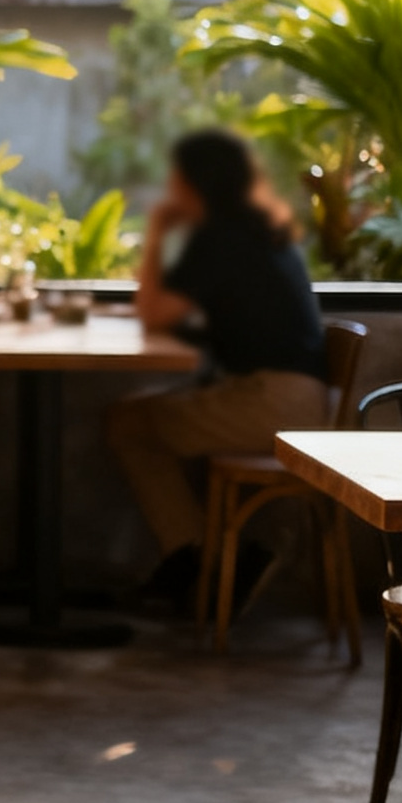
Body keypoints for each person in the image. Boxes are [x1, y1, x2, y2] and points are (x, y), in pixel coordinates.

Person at [107, 126, 328, 612]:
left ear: (194, 182)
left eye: (177, 178)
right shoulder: (259, 229)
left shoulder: (220, 237)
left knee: (127, 423)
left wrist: (159, 230)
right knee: (133, 418)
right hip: (295, 400)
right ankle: (208, 562)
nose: (171, 188)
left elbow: (152, 313)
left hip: (272, 405)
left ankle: (207, 561)